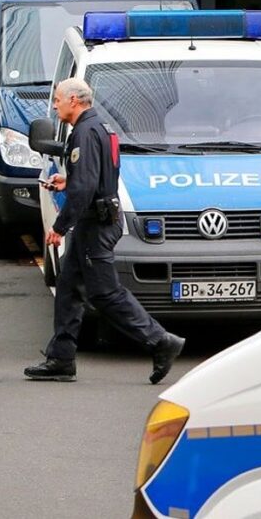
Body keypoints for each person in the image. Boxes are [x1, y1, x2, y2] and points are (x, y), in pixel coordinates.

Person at [24, 78, 185, 384]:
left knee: (105, 293)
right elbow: (97, 176)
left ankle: (161, 341)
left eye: (57, 100)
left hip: (95, 225)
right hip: (97, 220)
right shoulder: (102, 127)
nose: (54, 106)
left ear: (74, 101)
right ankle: (61, 358)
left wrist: (59, 227)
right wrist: (67, 181)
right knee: (68, 287)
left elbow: (85, 188)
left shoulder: (85, 132)